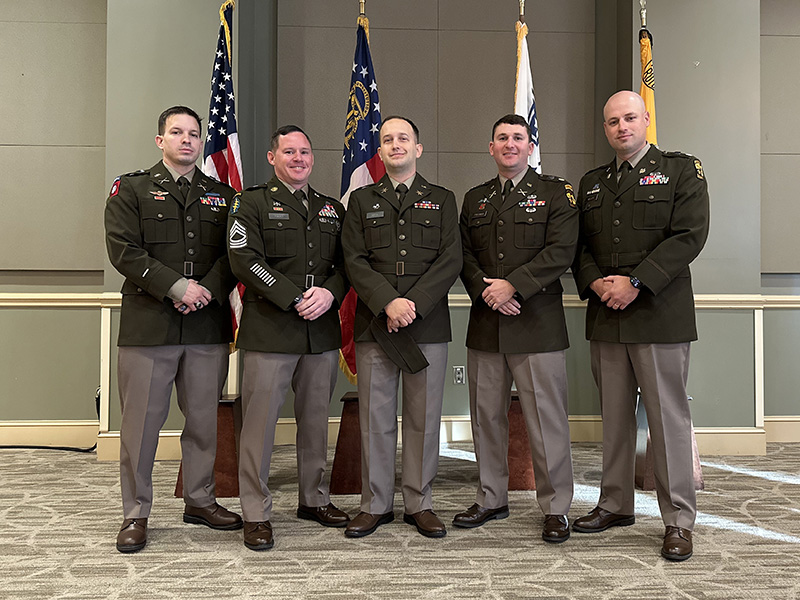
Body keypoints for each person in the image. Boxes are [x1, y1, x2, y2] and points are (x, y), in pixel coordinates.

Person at [571, 91, 710, 561]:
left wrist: (634, 282)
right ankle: (615, 503)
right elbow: (579, 247)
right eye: (612, 121)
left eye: (630, 118)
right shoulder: (591, 183)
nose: (621, 127)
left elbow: (690, 235)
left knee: (668, 421)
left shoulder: (681, 169)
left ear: (646, 118)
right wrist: (597, 284)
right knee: (614, 417)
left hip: (658, 314)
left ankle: (678, 520)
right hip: (606, 314)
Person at [105, 105, 242, 553]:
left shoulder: (222, 195)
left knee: (204, 420)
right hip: (151, 322)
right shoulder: (133, 189)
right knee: (141, 425)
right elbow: (124, 250)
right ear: (159, 140)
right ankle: (135, 512)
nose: (187, 140)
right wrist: (177, 287)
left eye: (194, 134)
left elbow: (234, 254)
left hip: (205, 324)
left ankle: (200, 499)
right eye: (177, 132)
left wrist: (205, 290)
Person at [455, 114, 578, 542]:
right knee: (486, 417)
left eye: (518, 138)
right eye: (502, 138)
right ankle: (491, 496)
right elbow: (463, 254)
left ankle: (556, 507)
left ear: (530, 146)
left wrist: (514, 288)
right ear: (490, 148)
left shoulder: (554, 192)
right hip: (487, 322)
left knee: (547, 420)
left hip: (537, 323)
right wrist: (486, 291)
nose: (510, 144)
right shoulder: (475, 198)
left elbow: (562, 249)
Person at [227, 125, 350, 551]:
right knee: (259, 427)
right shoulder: (252, 202)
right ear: (271, 157)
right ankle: (256, 512)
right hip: (271, 329)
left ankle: (313, 500)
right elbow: (243, 259)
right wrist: (294, 296)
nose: (298, 158)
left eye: (305, 152)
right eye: (289, 152)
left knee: (315, 421)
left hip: (321, 330)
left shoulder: (332, 209)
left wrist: (330, 293)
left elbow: (347, 264)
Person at [341, 116, 462, 539]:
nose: (395, 145)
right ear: (380, 149)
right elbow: (353, 260)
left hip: (426, 325)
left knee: (423, 418)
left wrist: (413, 303)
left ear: (418, 148)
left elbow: (451, 259)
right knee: (376, 417)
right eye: (388, 139)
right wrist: (388, 302)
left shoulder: (443, 199)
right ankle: (375, 504)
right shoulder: (359, 200)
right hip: (376, 323)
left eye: (403, 138)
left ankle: (419, 502)